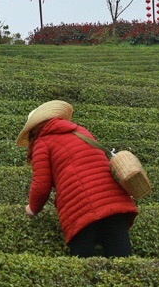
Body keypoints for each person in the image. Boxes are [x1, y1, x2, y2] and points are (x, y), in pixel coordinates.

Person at [18, 100, 138, 258]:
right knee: (124, 263)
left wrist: (33, 209)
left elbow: (41, 186)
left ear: (34, 131)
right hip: (114, 202)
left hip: (81, 209)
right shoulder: (81, 131)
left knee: (84, 269)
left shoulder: (42, 143)